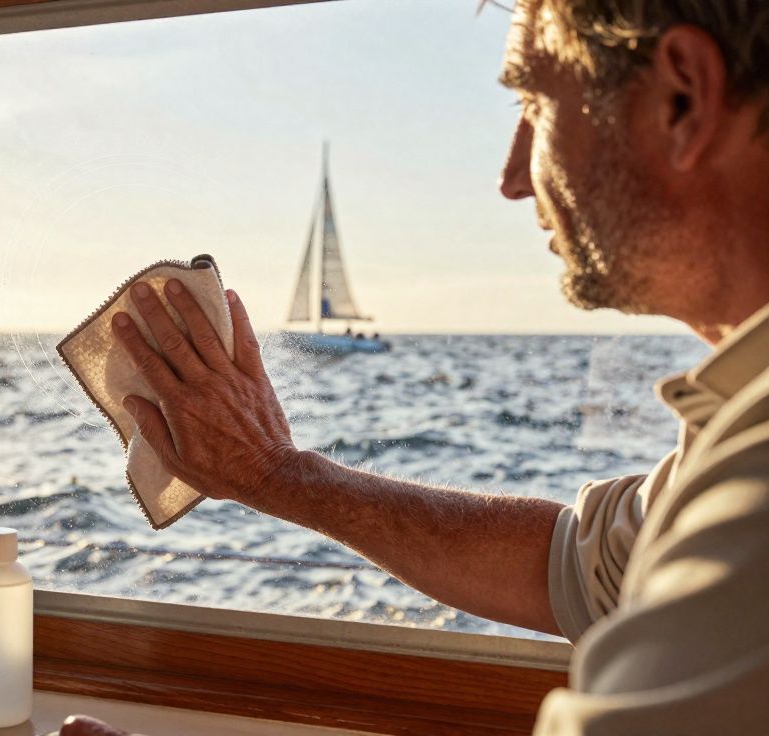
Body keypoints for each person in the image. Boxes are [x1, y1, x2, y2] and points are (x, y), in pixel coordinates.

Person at [63, 0, 769, 733]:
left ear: (681, 100)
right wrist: (272, 472)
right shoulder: (737, 424)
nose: (513, 175)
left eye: (533, 99)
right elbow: (575, 567)